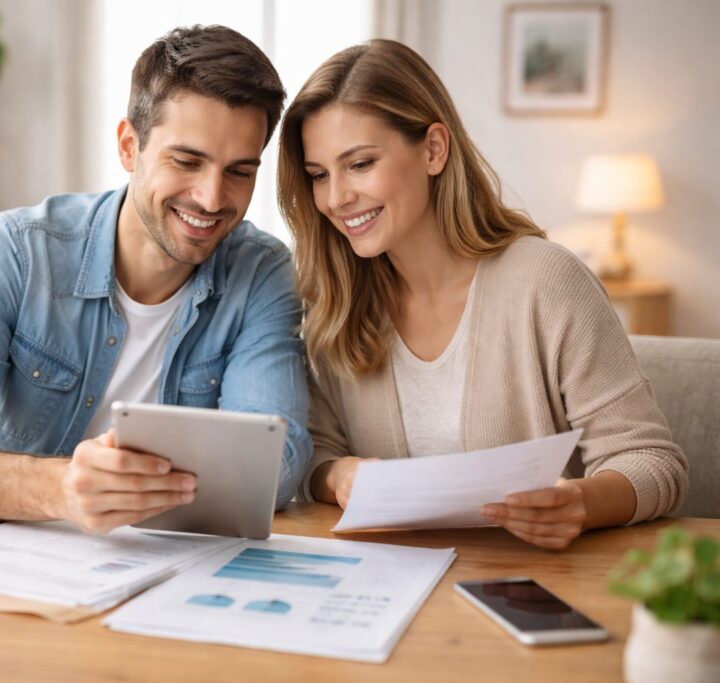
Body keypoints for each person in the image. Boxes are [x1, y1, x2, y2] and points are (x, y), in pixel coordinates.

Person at [0, 25, 310, 534]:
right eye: (187, 160)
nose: (213, 198)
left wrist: (135, 486)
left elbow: (275, 466)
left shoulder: (261, 272)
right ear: (129, 146)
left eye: (239, 171)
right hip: (23, 552)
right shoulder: (15, 252)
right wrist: (57, 489)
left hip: (177, 566)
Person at [277, 40, 687, 550]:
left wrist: (581, 504)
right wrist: (339, 476)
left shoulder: (546, 282)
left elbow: (651, 460)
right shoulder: (336, 302)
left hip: (535, 583)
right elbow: (317, 453)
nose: (336, 198)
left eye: (360, 164)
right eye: (319, 176)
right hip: (394, 589)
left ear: (433, 149)